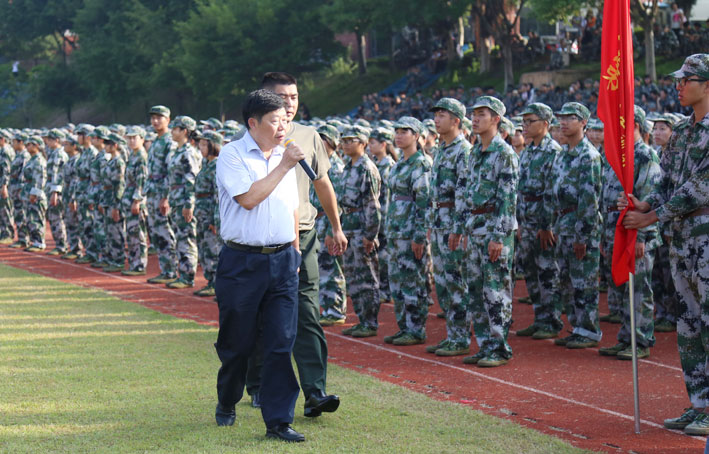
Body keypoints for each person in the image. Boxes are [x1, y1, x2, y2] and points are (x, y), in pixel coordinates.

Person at [621, 54, 709, 436]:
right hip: (682, 240)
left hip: (705, 239)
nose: (678, 86)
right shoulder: (684, 132)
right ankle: (700, 404)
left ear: (706, 84)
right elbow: (667, 179)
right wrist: (648, 202)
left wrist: (653, 217)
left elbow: (699, 187)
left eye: (686, 80)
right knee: (689, 326)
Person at [255, 72, 348, 419]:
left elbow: (322, 184)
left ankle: (315, 391)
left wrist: (336, 227)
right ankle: (257, 383)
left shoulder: (309, 136)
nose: (290, 103)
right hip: (263, 239)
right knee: (260, 314)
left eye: (294, 96)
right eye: (281, 97)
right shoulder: (250, 137)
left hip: (304, 235)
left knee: (307, 311)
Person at [214, 89, 304, 442]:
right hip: (242, 262)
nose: (283, 127)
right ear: (253, 123)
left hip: (282, 261)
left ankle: (279, 420)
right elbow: (249, 199)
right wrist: (284, 166)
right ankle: (227, 399)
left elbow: (292, 209)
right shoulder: (232, 155)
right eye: (274, 120)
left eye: (286, 119)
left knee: (281, 341)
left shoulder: (287, 156)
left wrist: (295, 251)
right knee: (238, 342)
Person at [452, 96, 519, 367]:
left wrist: (498, 237)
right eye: (474, 113)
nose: (475, 119)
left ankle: (499, 346)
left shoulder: (504, 154)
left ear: (496, 119)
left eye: (482, 114)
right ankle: (484, 344)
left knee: (495, 290)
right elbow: (467, 193)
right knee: (476, 290)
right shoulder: (474, 152)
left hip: (494, 228)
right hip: (475, 228)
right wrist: (462, 227)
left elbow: (507, 198)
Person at [598, 106, 661, 360]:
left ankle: (641, 340)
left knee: (639, 288)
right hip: (615, 228)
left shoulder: (644, 155)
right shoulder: (615, 154)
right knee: (623, 285)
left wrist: (643, 236)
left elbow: (648, 198)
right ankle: (627, 336)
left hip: (636, 231)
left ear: (633, 124)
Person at [550, 102, 602, 349]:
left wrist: (583, 236)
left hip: (580, 227)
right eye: (561, 118)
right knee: (567, 281)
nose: (564, 122)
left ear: (583, 122)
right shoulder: (563, 154)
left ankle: (589, 330)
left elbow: (589, 200)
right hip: (564, 225)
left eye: (570, 118)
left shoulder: (588, 156)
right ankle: (577, 326)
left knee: (585, 281)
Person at [424, 98, 472, 356]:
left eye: (442, 115)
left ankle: (461, 337)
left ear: (456, 120)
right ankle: (453, 334)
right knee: (442, 282)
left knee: (456, 281)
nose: (437, 119)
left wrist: (458, 227)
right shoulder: (441, 149)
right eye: (436, 115)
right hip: (440, 221)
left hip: (453, 222)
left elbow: (464, 193)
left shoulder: (463, 150)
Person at [514, 103, 564, 340]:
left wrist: (547, 226)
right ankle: (539, 317)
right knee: (531, 272)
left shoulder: (552, 152)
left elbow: (552, 192)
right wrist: (520, 222)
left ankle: (552, 320)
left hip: (543, 222)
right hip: (527, 219)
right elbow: (521, 189)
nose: (524, 126)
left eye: (529, 121)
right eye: (523, 122)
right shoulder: (528, 152)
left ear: (545, 124)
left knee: (547, 272)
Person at [384, 116, 432, 346]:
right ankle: (404, 326)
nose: (399, 135)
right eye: (397, 130)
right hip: (395, 231)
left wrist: (419, 235)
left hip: (410, 231)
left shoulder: (421, 163)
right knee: (397, 281)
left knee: (412, 280)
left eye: (405, 131)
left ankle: (416, 329)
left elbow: (423, 202)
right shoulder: (399, 164)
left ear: (416, 136)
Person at [336, 126, 382, 338]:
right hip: (349, 227)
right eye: (343, 140)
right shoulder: (348, 167)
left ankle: (370, 322)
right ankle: (362, 319)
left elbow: (373, 205)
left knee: (367, 276)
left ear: (363, 143)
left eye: (350, 140)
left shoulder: (366, 168)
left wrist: (370, 235)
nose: (345, 144)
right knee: (353, 277)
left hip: (362, 227)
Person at [314, 124, 348, 324]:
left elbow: (338, 203)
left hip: (327, 222)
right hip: (316, 221)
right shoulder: (319, 163)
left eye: (322, 139)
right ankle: (327, 308)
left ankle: (335, 310)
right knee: (321, 266)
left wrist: (330, 229)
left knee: (330, 267)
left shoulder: (335, 167)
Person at [649, 113, 678, 332]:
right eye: (655, 128)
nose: (657, 133)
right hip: (654, 221)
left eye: (662, 128)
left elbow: (674, 193)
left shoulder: (678, 156)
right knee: (657, 270)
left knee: (670, 272)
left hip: (670, 222)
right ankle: (661, 311)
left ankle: (672, 313)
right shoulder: (656, 154)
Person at [165, 116, 201, 288]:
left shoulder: (188, 153)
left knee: (186, 237)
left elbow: (191, 180)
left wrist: (189, 204)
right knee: (180, 237)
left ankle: (188, 276)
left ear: (185, 131)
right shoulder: (178, 151)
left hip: (183, 202)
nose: (172, 131)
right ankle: (183, 273)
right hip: (176, 200)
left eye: (176, 129)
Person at [145, 105, 178, 285]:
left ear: (168, 120)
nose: (155, 121)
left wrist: (166, 197)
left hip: (162, 192)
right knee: (156, 232)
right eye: (153, 118)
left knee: (165, 231)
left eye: (159, 117)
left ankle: (171, 269)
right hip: (152, 190)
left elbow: (170, 172)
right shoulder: (156, 141)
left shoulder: (169, 142)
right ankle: (165, 269)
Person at [368, 127, 396, 305]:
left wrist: (383, 221)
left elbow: (387, 197)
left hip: (386, 218)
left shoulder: (389, 166)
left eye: (373, 143)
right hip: (377, 217)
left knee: (385, 258)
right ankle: (382, 288)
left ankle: (387, 290)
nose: (370, 146)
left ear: (383, 144)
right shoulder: (376, 164)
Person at [193, 130, 222, 295]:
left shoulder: (217, 165)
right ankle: (210, 280)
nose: (200, 147)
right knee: (204, 245)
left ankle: (215, 282)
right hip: (202, 209)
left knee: (212, 247)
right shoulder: (206, 163)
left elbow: (217, 194)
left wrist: (213, 219)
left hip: (210, 209)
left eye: (204, 144)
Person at [121, 126, 149, 276]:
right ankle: (134, 263)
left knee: (138, 233)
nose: (131, 141)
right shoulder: (132, 156)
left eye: (135, 138)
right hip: (129, 198)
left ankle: (139, 265)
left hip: (136, 201)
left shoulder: (142, 157)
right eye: (129, 138)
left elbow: (142, 181)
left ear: (142, 139)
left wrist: (137, 200)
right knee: (131, 233)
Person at [99, 133, 127, 273]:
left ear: (115, 145)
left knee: (116, 230)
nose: (105, 146)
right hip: (107, 197)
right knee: (109, 230)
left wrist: (116, 205)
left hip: (114, 200)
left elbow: (119, 185)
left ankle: (118, 259)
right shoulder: (112, 160)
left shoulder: (118, 162)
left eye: (108, 144)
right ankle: (112, 258)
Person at [74, 125, 99, 264]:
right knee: (83, 223)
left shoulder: (93, 153)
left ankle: (93, 252)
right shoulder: (84, 152)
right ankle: (88, 251)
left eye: (80, 135)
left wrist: (91, 195)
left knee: (90, 223)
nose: (78, 138)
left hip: (89, 190)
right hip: (82, 190)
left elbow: (94, 177)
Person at [44, 129, 69, 256]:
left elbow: (58, 175)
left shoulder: (59, 154)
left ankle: (62, 245)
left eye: (50, 139)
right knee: (54, 218)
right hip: (51, 188)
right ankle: (60, 244)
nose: (47, 141)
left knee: (57, 218)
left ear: (57, 140)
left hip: (57, 190)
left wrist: (55, 192)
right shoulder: (54, 153)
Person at [23, 136, 47, 252]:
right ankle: (35, 241)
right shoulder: (32, 159)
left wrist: (35, 193)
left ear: (37, 146)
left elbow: (39, 179)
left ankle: (39, 242)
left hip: (35, 193)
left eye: (30, 144)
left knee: (37, 217)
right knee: (31, 218)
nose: (27, 146)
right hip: (29, 190)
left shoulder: (38, 160)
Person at [61, 134, 82, 260]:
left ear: (74, 146)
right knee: (69, 222)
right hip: (68, 193)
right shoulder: (70, 160)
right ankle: (73, 247)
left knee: (75, 222)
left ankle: (77, 249)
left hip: (73, 195)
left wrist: (73, 198)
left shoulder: (77, 160)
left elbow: (76, 181)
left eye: (67, 144)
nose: (64, 146)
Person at [8, 133, 30, 249]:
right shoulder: (18, 155)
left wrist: (20, 190)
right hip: (15, 188)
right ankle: (21, 238)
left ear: (21, 142)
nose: (12, 144)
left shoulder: (25, 156)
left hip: (20, 189)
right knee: (17, 213)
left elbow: (23, 174)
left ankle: (24, 239)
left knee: (21, 213)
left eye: (15, 141)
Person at [0, 130, 16, 244]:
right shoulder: (3, 150)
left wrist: (4, 186)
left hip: (5, 184)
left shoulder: (6, 151)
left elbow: (6, 170)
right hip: (3, 183)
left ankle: (8, 234)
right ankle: (4, 232)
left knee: (6, 209)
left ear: (3, 139)